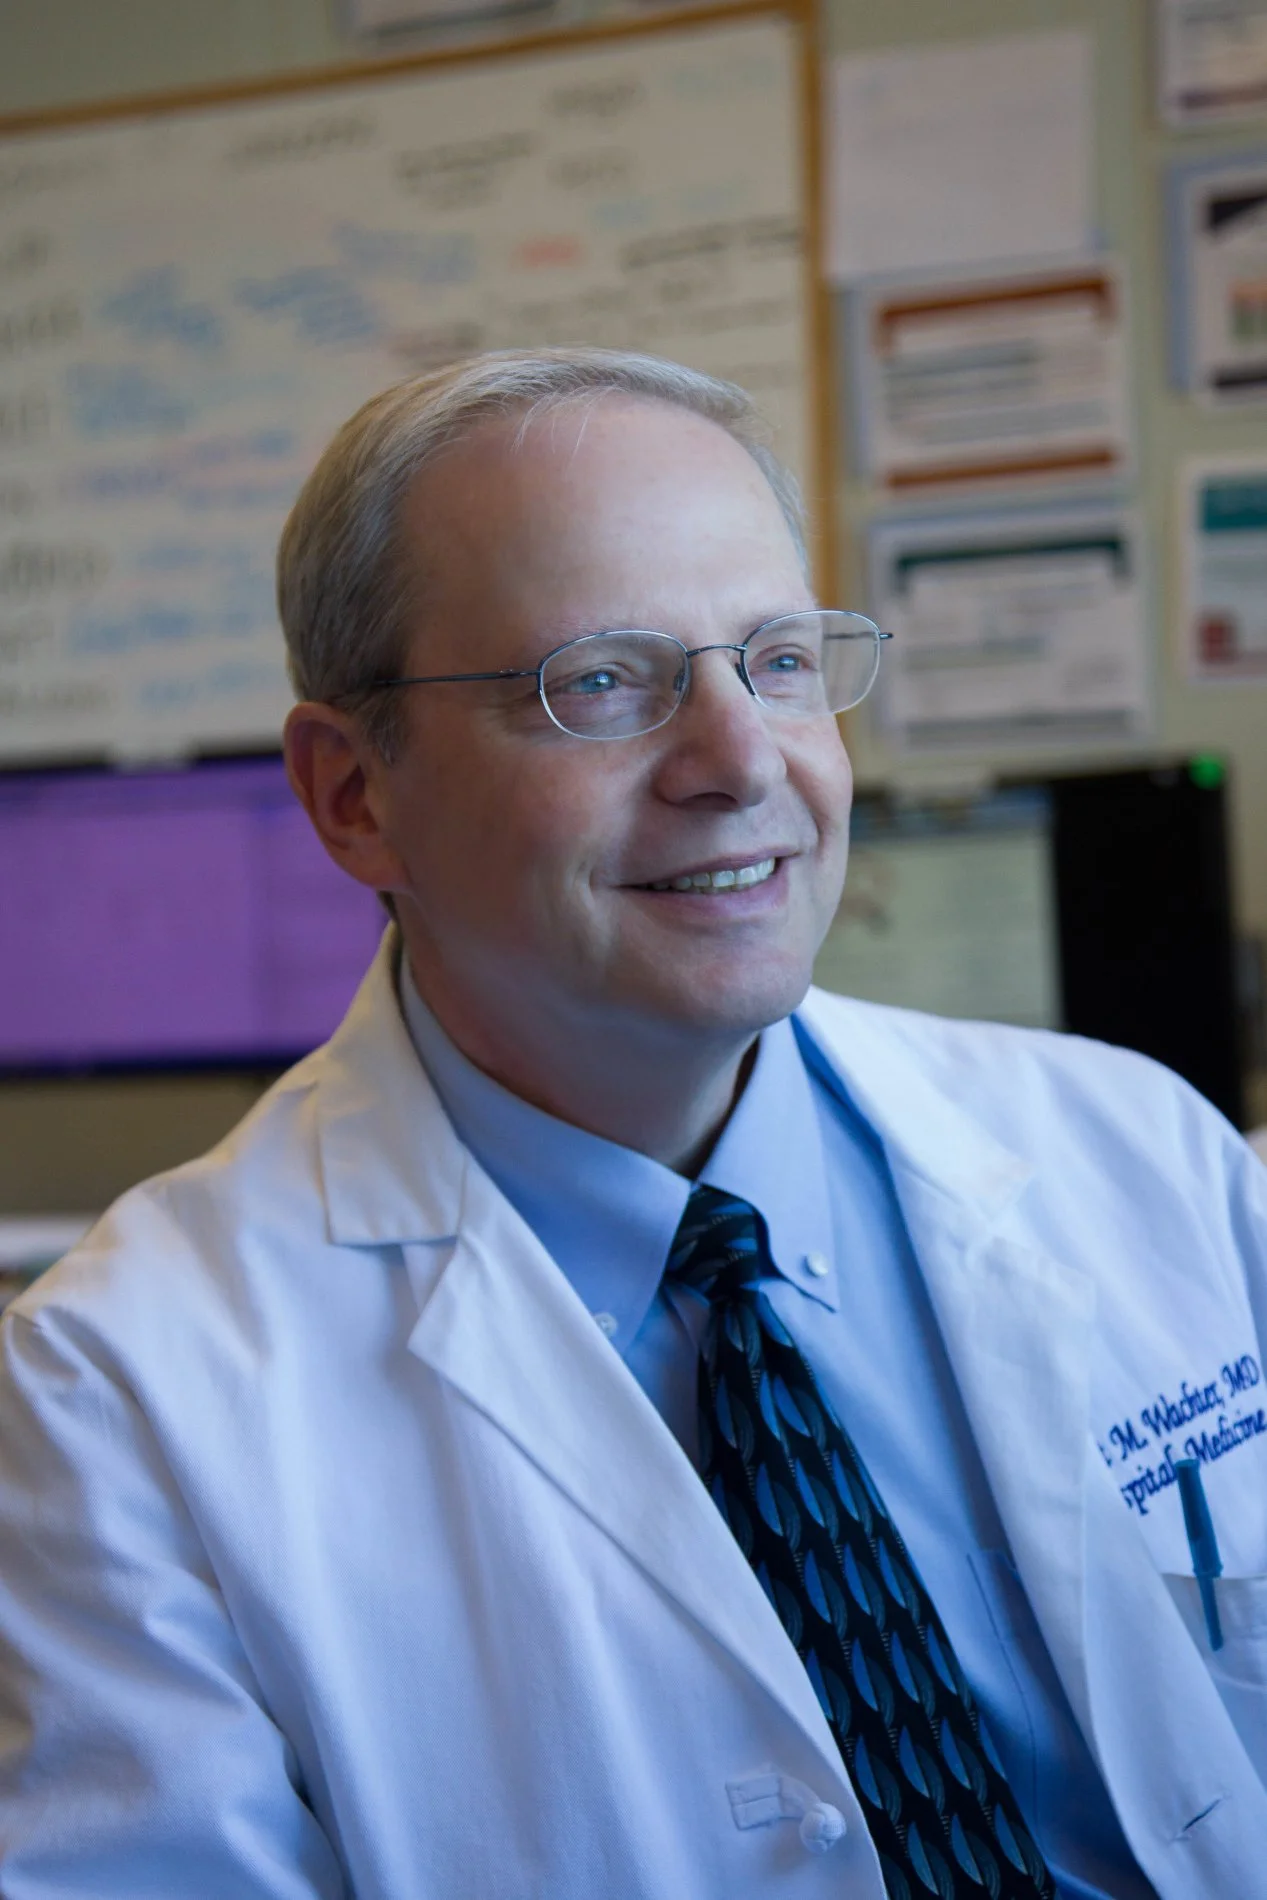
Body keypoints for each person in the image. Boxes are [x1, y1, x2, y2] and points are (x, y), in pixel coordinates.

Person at [0, 348, 1265, 1900]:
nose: (744, 761)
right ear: (350, 796)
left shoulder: (1145, 1154)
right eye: (599, 680)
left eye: (780, 660)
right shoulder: (117, 1399)